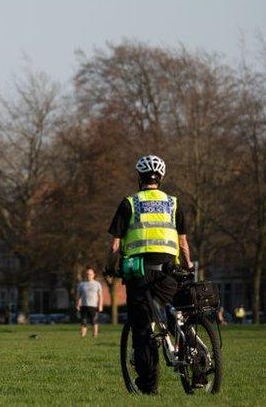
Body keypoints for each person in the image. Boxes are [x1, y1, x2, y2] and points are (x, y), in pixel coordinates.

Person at [106, 155, 195, 395]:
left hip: (139, 273)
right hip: (168, 272)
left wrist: (109, 268)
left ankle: (148, 386)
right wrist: (189, 266)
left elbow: (115, 247)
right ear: (161, 177)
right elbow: (183, 243)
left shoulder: (129, 203)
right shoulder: (173, 203)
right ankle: (191, 349)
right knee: (168, 310)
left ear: (139, 177)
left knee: (142, 327)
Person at [76, 266, 104, 337]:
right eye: (87, 274)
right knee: (83, 321)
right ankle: (83, 335)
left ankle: (95, 335)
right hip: (84, 305)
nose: (89, 276)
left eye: (90, 274)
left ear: (93, 275)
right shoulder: (81, 284)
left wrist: (100, 305)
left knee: (94, 321)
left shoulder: (97, 284)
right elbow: (78, 296)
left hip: (93, 306)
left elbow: (100, 296)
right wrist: (77, 304)